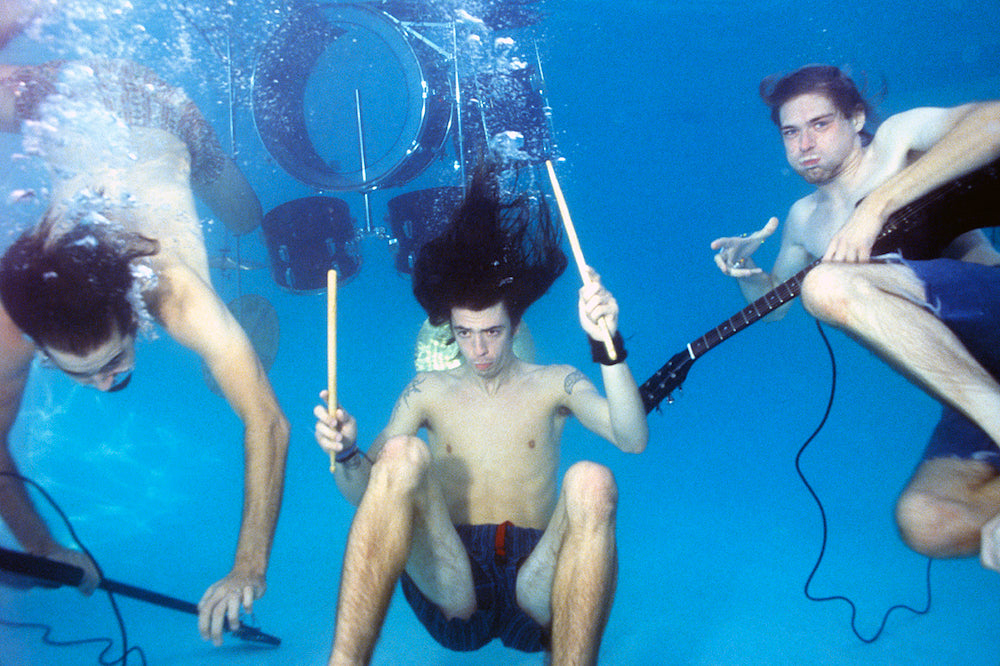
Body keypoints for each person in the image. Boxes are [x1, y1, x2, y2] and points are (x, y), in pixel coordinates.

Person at [0, 59, 289, 645]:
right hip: (65, 96)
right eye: (81, 373)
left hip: (163, 113)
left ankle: (232, 216)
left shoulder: (175, 292)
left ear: (132, 310)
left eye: (112, 360)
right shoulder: (16, 321)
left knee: (244, 211)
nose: (107, 382)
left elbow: (268, 422)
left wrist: (247, 569)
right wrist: (39, 544)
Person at [313, 162, 649, 665]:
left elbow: (631, 437)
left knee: (592, 479)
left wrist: (608, 346)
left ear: (514, 324)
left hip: (538, 584)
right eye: (465, 334)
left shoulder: (554, 382)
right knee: (401, 454)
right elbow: (368, 494)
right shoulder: (427, 389)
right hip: (452, 584)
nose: (479, 350)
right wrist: (346, 453)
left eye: (491, 332)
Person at [710, 65, 1000, 572]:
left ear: (857, 117)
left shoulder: (897, 141)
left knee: (825, 285)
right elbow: (776, 308)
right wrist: (745, 273)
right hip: (975, 376)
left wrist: (878, 205)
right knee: (926, 521)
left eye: (820, 124)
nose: (805, 144)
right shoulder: (805, 219)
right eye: (791, 132)